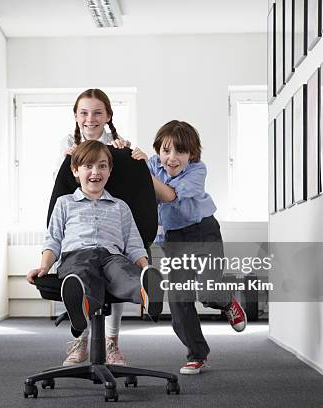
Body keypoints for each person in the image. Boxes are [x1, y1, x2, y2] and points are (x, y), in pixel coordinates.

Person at [28, 140, 164, 366]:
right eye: (88, 166)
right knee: (82, 274)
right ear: (75, 171)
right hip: (77, 255)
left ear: (110, 171)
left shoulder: (120, 206)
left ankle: (145, 293)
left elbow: (133, 243)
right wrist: (44, 267)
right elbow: (53, 240)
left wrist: (144, 267)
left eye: (102, 166)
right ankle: (81, 306)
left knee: (122, 272)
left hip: (112, 256)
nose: (95, 172)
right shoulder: (65, 203)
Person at [132, 120, 247, 375]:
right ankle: (197, 355)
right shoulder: (151, 164)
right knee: (179, 302)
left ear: (191, 155)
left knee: (207, 292)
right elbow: (132, 171)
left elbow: (169, 195)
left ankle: (226, 301)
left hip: (203, 233)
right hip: (175, 240)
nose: (171, 158)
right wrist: (128, 151)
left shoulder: (197, 170)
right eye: (165, 151)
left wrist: (145, 172)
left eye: (180, 152)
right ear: (157, 151)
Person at [54, 89, 131, 367]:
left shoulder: (120, 145)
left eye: (98, 112)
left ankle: (112, 342)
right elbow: (59, 190)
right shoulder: (67, 145)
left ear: (108, 116)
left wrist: (137, 157)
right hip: (79, 230)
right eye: (84, 113)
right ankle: (81, 340)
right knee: (79, 274)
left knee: (117, 270)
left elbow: (135, 191)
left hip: (111, 227)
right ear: (76, 116)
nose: (90, 119)